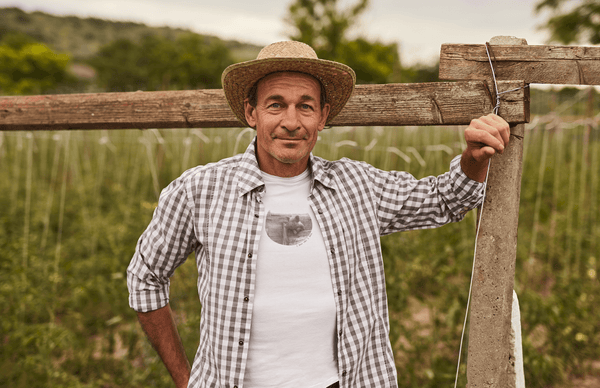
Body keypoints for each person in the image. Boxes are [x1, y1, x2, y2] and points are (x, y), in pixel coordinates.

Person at [127, 41, 510, 388]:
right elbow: (145, 276)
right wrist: (186, 379)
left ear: (323, 116)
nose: (291, 122)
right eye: (275, 104)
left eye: (305, 106)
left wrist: (473, 158)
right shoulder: (200, 190)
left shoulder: (357, 185)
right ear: (251, 113)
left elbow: (444, 199)